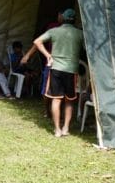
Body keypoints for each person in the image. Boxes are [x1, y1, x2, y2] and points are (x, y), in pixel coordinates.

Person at [23, 8, 84, 137]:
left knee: (56, 99)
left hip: (56, 68)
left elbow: (37, 41)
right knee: (69, 100)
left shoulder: (54, 31)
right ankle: (66, 128)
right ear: (74, 20)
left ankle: (57, 129)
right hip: (71, 70)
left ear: (63, 18)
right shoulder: (80, 34)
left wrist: (48, 55)